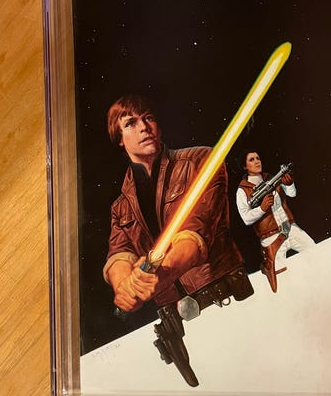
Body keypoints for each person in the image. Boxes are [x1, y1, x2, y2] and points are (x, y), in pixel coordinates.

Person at [103, 94, 252, 316]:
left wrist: (154, 279)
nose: (144, 127)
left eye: (148, 118)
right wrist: (124, 286)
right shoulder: (120, 207)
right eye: (131, 123)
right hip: (175, 318)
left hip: (226, 301)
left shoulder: (201, 161)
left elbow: (195, 234)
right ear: (119, 138)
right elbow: (119, 254)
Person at [236, 150, 316, 292]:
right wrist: (262, 208)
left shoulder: (272, 178)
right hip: (272, 240)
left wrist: (290, 184)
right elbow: (246, 219)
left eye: (258, 158)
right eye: (252, 160)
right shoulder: (242, 191)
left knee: (316, 253)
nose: (257, 161)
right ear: (244, 166)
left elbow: (292, 194)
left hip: (291, 229)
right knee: (282, 283)